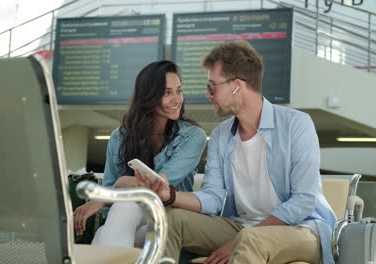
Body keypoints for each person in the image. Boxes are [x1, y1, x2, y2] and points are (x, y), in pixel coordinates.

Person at [135, 40, 336, 264]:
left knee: (251, 238)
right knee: (169, 220)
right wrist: (169, 195)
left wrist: (240, 240)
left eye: (212, 87)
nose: (207, 95)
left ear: (237, 85)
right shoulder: (221, 135)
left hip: (302, 230)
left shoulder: (296, 124)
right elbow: (213, 197)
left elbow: (303, 202)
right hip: (242, 227)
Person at [73, 60, 207, 248]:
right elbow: (115, 190)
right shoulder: (119, 137)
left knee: (121, 213)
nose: (177, 100)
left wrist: (118, 186)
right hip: (129, 223)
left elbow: (157, 186)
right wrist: (114, 190)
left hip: (170, 219)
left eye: (179, 91)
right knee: (122, 213)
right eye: (167, 93)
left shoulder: (193, 136)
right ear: (148, 96)